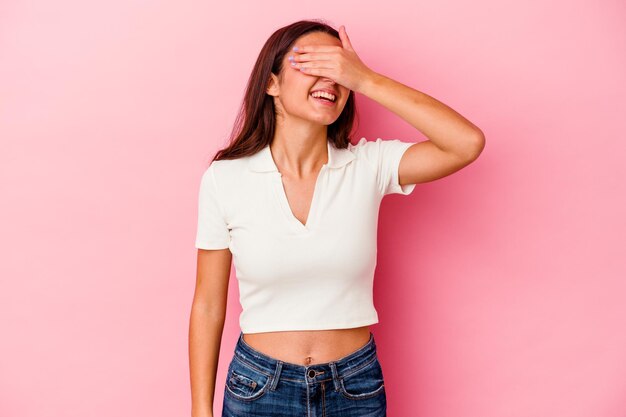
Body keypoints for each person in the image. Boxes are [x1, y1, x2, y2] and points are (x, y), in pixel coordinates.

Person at [189, 20, 485, 417]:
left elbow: (466, 143)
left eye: (339, 68)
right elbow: (208, 304)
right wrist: (199, 410)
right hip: (259, 388)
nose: (331, 78)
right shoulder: (225, 179)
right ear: (271, 83)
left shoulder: (367, 165)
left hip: (355, 387)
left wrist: (366, 79)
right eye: (312, 63)